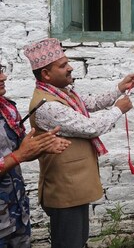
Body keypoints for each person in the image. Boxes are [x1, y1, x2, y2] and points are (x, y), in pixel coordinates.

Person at [23, 38, 134, 248]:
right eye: (63, 65)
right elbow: (90, 127)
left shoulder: (60, 94)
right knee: (69, 243)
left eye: (67, 63)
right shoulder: (47, 105)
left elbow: (90, 103)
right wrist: (118, 109)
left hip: (73, 186)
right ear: (46, 74)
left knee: (77, 240)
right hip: (65, 189)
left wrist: (119, 88)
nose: (70, 68)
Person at [0, 62, 70, 247]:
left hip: (15, 213)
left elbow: (21, 150)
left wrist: (41, 145)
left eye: (0, 70)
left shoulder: (6, 108)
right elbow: (18, 155)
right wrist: (19, 156)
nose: (3, 77)